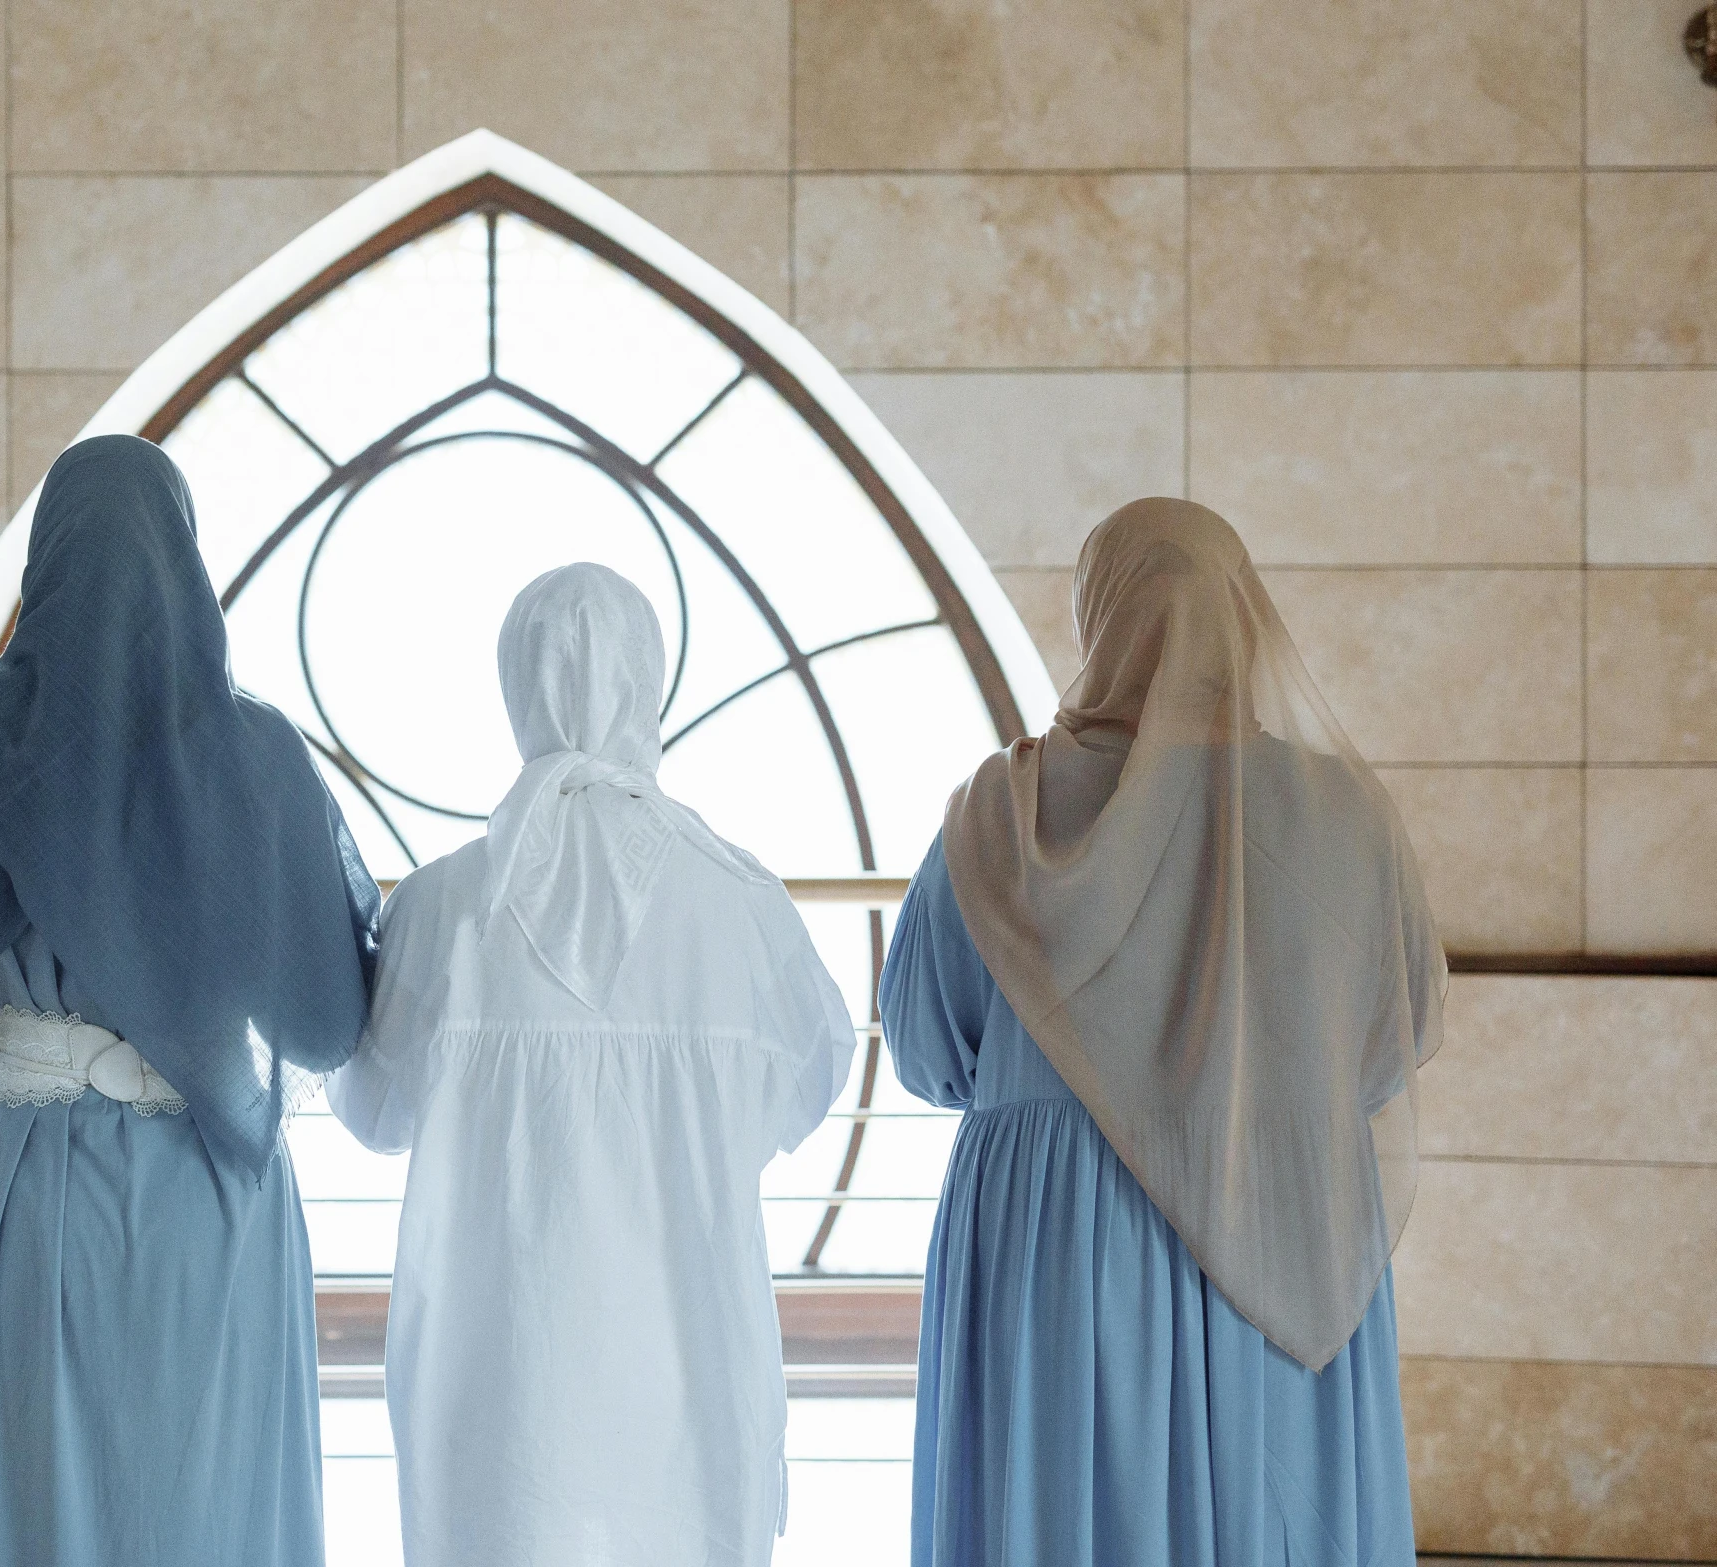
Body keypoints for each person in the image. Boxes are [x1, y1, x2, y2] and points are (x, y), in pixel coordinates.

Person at [0, 435, 379, 1567]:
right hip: (216, 1190)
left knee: (39, 1504)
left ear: (46, 566)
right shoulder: (260, 757)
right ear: (185, 561)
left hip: (38, 1178)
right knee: (214, 1499)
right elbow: (328, 1020)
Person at [882, 498, 1444, 1567]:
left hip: (1057, 1234)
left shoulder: (1002, 812)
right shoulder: (1342, 816)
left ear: (1098, 615)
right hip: (1283, 1221)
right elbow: (1387, 1037)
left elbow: (923, 1040)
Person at [332, 563, 856, 1567]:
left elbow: (373, 1106)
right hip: (686, 1370)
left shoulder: (442, 905)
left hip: (493, 1385)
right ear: (649, 680)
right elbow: (807, 1085)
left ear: (514, 685)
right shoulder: (738, 901)